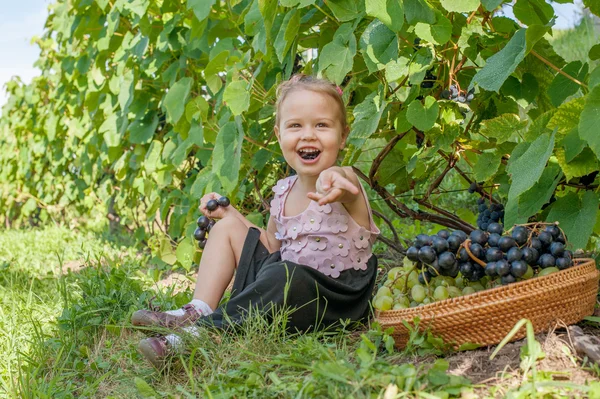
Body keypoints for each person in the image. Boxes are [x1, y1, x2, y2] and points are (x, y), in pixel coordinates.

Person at [132, 74, 380, 368]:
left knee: (284, 275)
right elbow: (272, 246)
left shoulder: (345, 181)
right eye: (295, 125)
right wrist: (232, 217)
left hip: (336, 300)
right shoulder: (283, 192)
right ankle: (198, 309)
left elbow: (343, 180)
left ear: (343, 135)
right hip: (285, 292)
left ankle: (201, 334)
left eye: (322, 125)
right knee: (233, 234)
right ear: (278, 135)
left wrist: (335, 179)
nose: (309, 135)